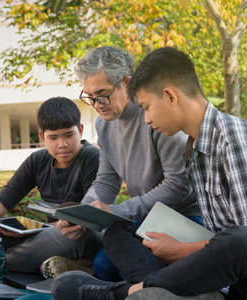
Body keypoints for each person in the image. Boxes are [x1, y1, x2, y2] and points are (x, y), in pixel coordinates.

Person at [52, 47, 247, 299]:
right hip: (225, 267)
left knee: (243, 239)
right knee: (121, 230)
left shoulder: (236, 141)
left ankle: (125, 292)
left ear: (170, 96)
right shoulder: (194, 147)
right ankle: (171, 293)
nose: (147, 119)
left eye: (148, 107)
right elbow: (219, 238)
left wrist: (180, 250)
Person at [53, 46, 199, 281]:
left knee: (119, 266)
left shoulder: (158, 117)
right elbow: (106, 181)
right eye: (89, 96)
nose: (97, 103)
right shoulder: (104, 125)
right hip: (147, 216)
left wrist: (120, 210)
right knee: (104, 265)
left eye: (102, 93)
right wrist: (83, 213)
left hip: (185, 215)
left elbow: (178, 186)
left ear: (127, 83)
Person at [0, 97, 102, 275]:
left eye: (69, 135)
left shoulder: (92, 157)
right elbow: (5, 198)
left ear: (81, 130)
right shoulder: (38, 160)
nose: (62, 144)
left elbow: (90, 218)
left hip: (81, 234)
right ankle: (61, 265)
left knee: (73, 236)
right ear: (42, 136)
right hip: (48, 235)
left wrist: (36, 232)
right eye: (53, 138)